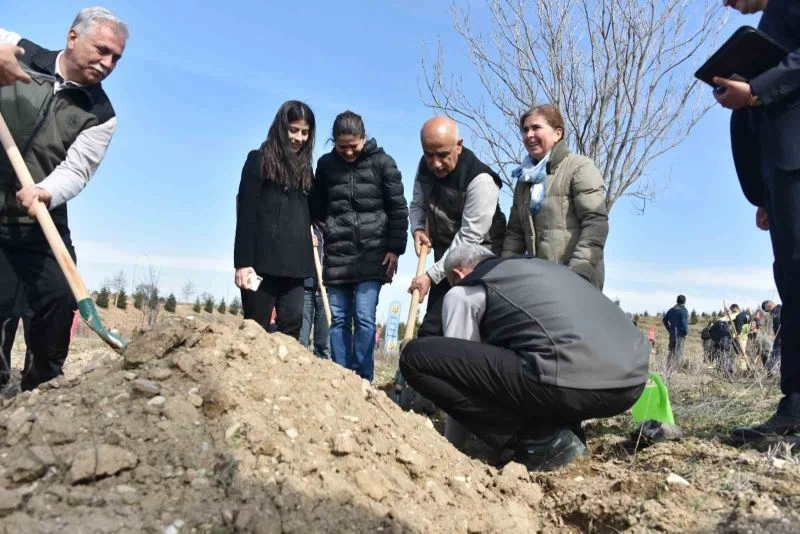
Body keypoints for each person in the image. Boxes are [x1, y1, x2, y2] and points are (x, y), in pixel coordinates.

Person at [399, 244, 649, 471]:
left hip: (570, 381)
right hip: (629, 384)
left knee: (415, 356)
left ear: (458, 275)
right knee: (528, 361)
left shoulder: (466, 289)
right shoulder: (535, 270)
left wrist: (451, 444)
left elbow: (458, 371)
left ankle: (536, 439)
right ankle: (562, 429)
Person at [0, 8, 128, 391]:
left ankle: (43, 389)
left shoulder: (101, 114)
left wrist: (47, 190)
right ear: (73, 37)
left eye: (116, 58)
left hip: (40, 217)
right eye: (102, 50)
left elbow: (77, 170)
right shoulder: (20, 52)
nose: (107, 63)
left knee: (58, 299)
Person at [717, 0, 800, 441]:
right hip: (779, 170)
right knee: (790, 278)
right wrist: (764, 192)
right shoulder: (770, 19)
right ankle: (795, 405)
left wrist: (754, 89)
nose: (724, 2)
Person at [310, 111, 408, 381]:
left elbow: (399, 209)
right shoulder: (327, 165)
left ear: (364, 138)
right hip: (338, 253)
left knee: (364, 316)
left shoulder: (383, 163)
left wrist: (394, 249)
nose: (348, 152)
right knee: (339, 318)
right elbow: (316, 204)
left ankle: (363, 377)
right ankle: (342, 376)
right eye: (342, 147)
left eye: (353, 146)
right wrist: (313, 224)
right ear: (334, 143)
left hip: (373, 254)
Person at [407, 116, 506, 338]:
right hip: (445, 260)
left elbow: (470, 238)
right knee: (431, 328)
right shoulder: (425, 168)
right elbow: (417, 204)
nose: (435, 163)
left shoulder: (481, 181)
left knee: (462, 328)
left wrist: (429, 277)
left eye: (442, 155)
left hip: (478, 265)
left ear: (458, 146)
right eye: (428, 154)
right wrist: (417, 229)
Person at [233, 100, 316, 339]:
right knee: (255, 327)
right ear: (281, 128)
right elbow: (246, 214)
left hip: (294, 268)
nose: (299, 137)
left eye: (304, 132)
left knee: (292, 323)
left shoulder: (305, 172)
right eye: (293, 129)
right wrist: (242, 263)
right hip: (258, 265)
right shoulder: (258, 161)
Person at [502, 105, 609, 289]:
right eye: (525, 130)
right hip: (539, 282)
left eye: (536, 128)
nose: (529, 135)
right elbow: (514, 235)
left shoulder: (579, 167)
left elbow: (595, 223)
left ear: (557, 133)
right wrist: (503, 276)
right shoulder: (523, 180)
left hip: (578, 281)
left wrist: (577, 274)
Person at [298, 223, 330, 359]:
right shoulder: (307, 226)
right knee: (301, 339)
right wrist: (304, 242)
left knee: (323, 343)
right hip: (306, 286)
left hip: (327, 290)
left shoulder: (335, 229)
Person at [662, 295, 689, 365]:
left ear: (677, 301)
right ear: (684, 302)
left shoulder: (671, 310)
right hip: (680, 336)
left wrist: (669, 329)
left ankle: (668, 369)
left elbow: (664, 320)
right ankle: (675, 371)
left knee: (671, 353)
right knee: (678, 354)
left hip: (672, 335)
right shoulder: (684, 311)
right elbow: (684, 323)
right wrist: (686, 333)